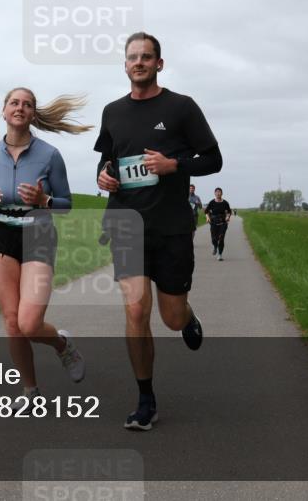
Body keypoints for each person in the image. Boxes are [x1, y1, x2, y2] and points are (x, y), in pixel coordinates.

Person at [95, 32, 222, 430]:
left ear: (159, 64)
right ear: (125, 64)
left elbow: (213, 159)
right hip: (126, 223)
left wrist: (175, 166)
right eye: (133, 57)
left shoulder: (181, 107)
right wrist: (104, 178)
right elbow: (107, 162)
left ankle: (186, 317)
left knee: (169, 316)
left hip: (170, 227)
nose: (139, 63)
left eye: (146, 57)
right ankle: (145, 398)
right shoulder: (113, 111)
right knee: (135, 309)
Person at [0, 87, 90, 411]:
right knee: (12, 322)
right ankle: (30, 391)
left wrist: (45, 200)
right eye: (14, 102)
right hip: (2, 238)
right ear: (4, 110)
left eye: (27, 104)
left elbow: (66, 205)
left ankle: (62, 345)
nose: (20, 108)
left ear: (33, 114)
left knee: (28, 322)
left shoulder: (50, 155)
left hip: (38, 235)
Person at [205, 187, 232, 259]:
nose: (218, 193)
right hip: (213, 222)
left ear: (222, 193)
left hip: (223, 222)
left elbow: (229, 212)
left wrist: (227, 217)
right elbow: (206, 211)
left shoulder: (225, 203)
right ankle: (215, 246)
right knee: (214, 239)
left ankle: (220, 255)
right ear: (214, 193)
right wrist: (207, 218)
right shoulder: (212, 202)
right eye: (216, 192)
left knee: (221, 238)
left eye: (219, 192)